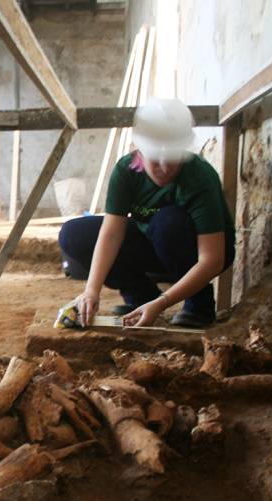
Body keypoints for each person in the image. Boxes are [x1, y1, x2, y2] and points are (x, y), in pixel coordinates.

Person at [59, 97, 235, 328]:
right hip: (154, 244)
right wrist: (91, 291)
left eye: (172, 160)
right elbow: (111, 234)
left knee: (167, 223)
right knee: (74, 234)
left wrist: (163, 303)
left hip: (201, 252)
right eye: (155, 160)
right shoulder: (126, 171)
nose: (164, 169)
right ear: (139, 151)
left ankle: (198, 304)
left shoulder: (200, 177)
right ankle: (141, 298)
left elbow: (212, 259)